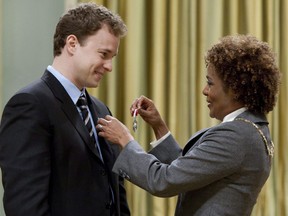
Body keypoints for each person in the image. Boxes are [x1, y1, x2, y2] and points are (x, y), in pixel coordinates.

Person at [96, 34, 281, 216]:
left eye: (210, 83)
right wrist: (159, 127)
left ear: (235, 89)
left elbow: (164, 180)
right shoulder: (251, 129)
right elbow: (187, 170)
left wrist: (125, 140)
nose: (205, 90)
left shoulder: (237, 136)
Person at [0, 3, 130, 216]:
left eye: (112, 58)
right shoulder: (29, 104)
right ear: (72, 44)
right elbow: (25, 207)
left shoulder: (100, 109)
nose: (109, 66)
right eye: (103, 54)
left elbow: (115, 193)